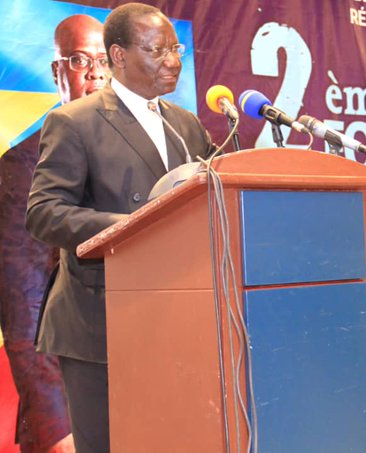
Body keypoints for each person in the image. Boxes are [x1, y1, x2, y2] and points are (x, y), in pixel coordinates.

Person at [25, 4, 214, 452]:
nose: (172, 61)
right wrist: (132, 227)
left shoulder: (186, 124)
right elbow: (44, 212)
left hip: (174, 315)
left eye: (176, 49)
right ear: (119, 55)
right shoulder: (75, 121)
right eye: (157, 50)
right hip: (100, 322)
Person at [0, 14, 107, 453]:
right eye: (80, 60)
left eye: (104, 60)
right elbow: (22, 309)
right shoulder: (26, 163)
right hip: (69, 407)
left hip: (130, 387)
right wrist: (56, 424)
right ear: (57, 70)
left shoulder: (125, 152)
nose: (95, 73)